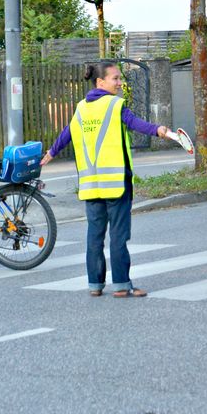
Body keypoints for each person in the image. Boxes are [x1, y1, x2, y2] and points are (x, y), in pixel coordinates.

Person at [40, 62, 170, 298]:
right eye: (115, 79)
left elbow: (67, 133)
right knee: (118, 236)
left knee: (94, 237)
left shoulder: (81, 108)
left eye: (120, 78)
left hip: (91, 186)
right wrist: (158, 129)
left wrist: (51, 153)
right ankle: (121, 285)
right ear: (100, 82)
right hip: (115, 184)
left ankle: (95, 285)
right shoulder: (114, 105)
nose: (120, 83)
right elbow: (135, 123)